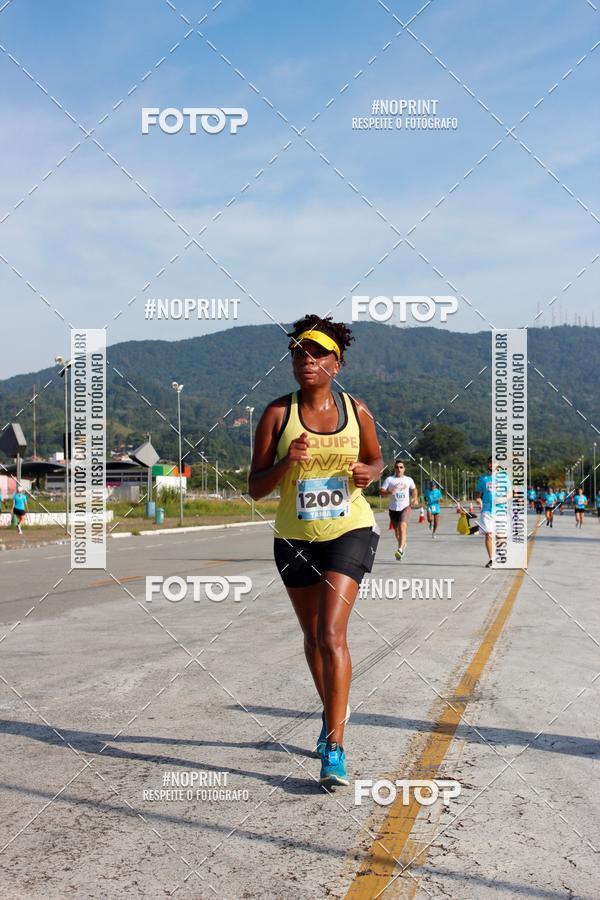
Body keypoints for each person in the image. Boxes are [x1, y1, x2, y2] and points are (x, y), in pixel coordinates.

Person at [249, 314, 383, 790]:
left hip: (349, 529)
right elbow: (256, 488)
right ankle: (331, 716)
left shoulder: (357, 411)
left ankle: (335, 744)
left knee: (331, 632)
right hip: (293, 536)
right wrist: (289, 461)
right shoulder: (276, 415)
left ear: (336, 364)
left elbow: (375, 459)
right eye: (299, 354)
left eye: (317, 354)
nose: (307, 361)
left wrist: (370, 473)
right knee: (311, 637)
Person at [475, 457, 512, 568]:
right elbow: (477, 495)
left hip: (501, 510)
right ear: (488, 464)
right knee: (489, 534)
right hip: (487, 511)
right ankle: (491, 559)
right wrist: (479, 502)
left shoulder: (504, 477)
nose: (492, 464)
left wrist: (504, 499)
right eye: (490, 462)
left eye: (494, 463)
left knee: (501, 537)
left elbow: (510, 493)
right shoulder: (483, 479)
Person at [380, 460, 418, 560]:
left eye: (401, 467)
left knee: (402, 527)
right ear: (394, 469)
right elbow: (382, 492)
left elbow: (414, 489)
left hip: (405, 507)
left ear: (404, 469)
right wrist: (389, 491)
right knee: (397, 533)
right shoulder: (389, 480)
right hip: (393, 509)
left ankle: (400, 550)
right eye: (397, 467)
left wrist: (415, 498)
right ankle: (402, 545)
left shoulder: (408, 480)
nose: (399, 469)